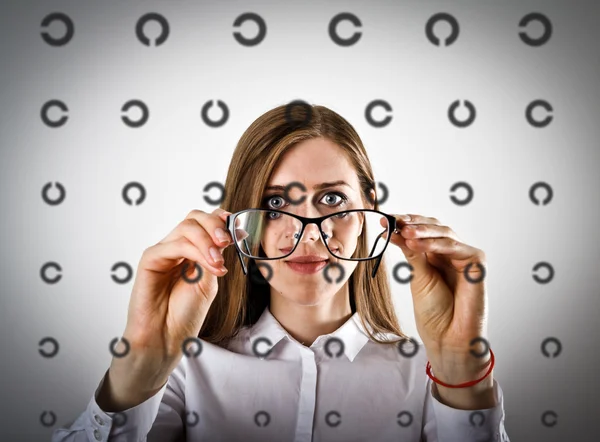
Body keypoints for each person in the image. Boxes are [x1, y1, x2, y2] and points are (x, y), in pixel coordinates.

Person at [51, 103, 510, 442]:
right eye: (274, 205)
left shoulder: (433, 380)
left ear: (369, 208)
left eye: (332, 200)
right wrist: (138, 369)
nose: (307, 236)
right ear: (239, 223)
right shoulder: (185, 373)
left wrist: (461, 370)